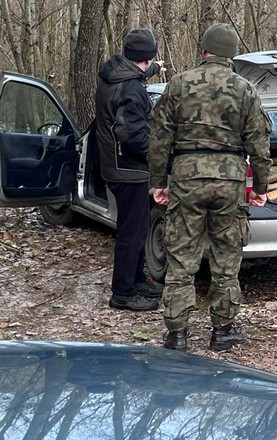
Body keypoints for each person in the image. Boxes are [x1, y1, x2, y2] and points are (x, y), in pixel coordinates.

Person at [148, 23, 272, 352]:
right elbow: (259, 146)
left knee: (181, 257)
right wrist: (260, 186)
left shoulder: (177, 85)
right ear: (232, 55)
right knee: (226, 256)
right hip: (229, 180)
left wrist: (159, 183)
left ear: (204, 51)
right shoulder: (246, 89)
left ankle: (177, 333)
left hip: (186, 178)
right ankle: (223, 330)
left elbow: (159, 140)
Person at [96, 27, 167, 312]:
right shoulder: (132, 89)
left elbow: (134, 75)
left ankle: (137, 281)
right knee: (132, 232)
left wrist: (153, 71)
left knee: (136, 227)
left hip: (114, 163)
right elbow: (133, 136)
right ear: (147, 58)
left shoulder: (113, 74)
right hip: (128, 168)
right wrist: (160, 156)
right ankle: (123, 292)